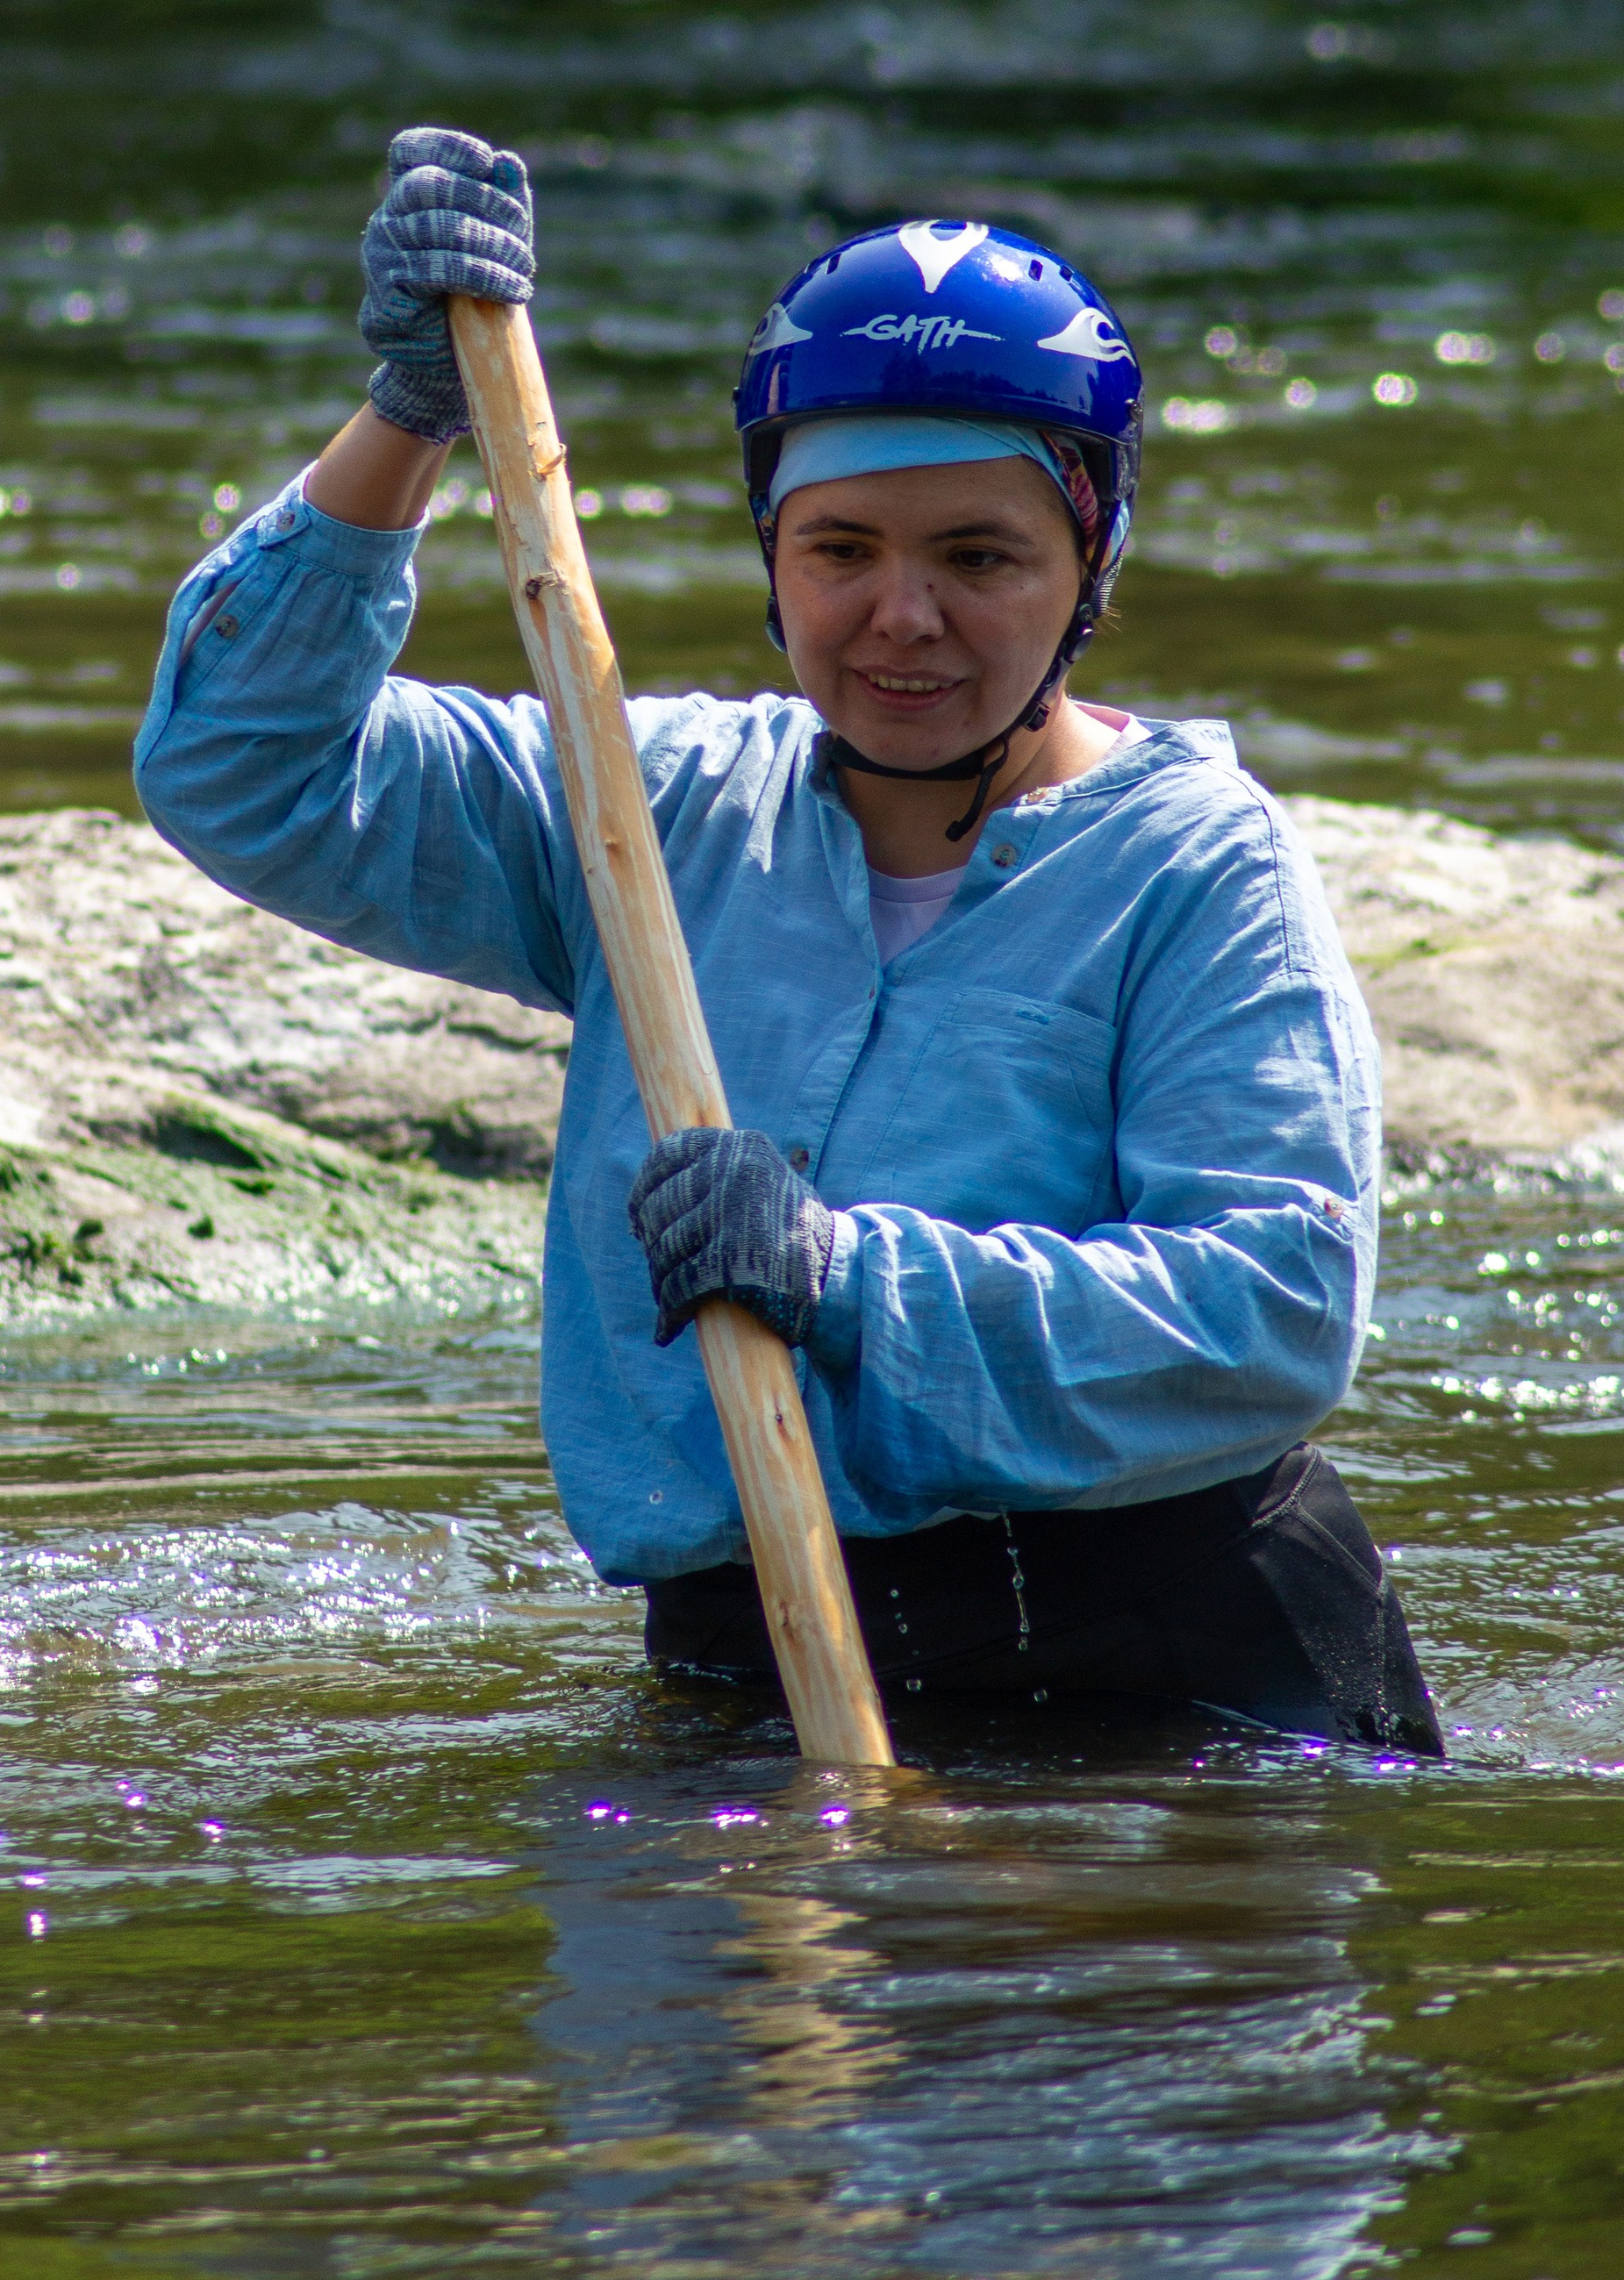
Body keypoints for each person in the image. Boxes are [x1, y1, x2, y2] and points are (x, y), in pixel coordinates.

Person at [135, 126, 1443, 1757]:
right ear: (774, 554)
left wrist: (846, 1275)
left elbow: (1276, 1307)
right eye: (843, 551)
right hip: (748, 1662)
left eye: (978, 555)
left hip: (1177, 1674)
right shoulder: (644, 810)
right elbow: (237, 767)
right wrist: (406, 425)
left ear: (1087, 564)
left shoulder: (1198, 863)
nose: (903, 615)